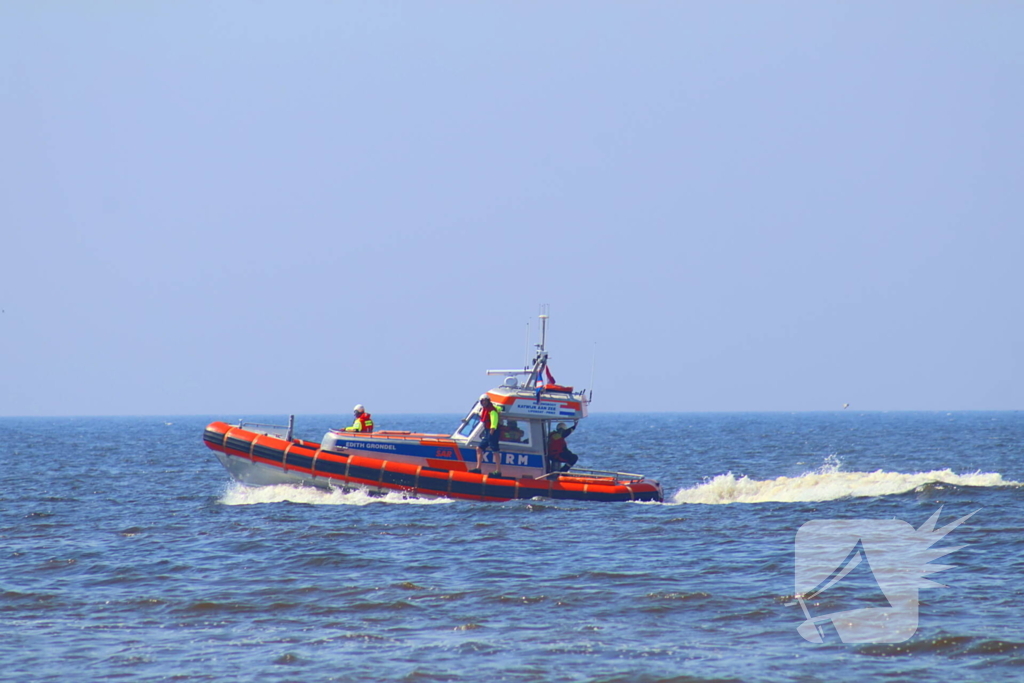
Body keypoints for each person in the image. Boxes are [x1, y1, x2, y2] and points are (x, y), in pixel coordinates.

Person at [472, 395, 502, 476]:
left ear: (488, 401)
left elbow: (494, 421)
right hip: (487, 431)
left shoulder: (492, 410)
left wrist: (492, 431)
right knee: (479, 448)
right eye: (482, 401)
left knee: (495, 450)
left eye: (485, 401)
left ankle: (498, 471)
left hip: (492, 431)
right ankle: (478, 468)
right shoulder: (485, 410)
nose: (484, 402)